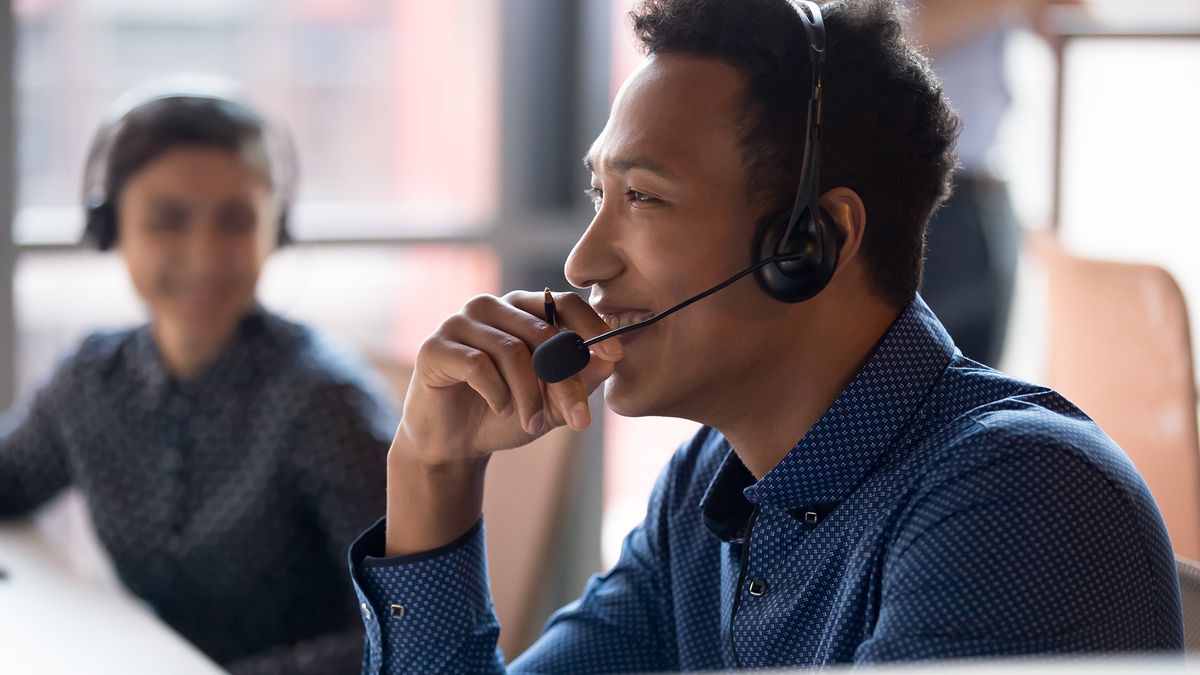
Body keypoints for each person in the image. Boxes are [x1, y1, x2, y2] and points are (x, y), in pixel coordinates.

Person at [349, 0, 1182, 672]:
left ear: (808, 243)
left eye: (643, 198)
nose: (584, 259)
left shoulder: (1016, 503)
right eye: (598, 193)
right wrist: (433, 470)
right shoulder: (711, 488)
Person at [0, 91, 395, 675]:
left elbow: (402, 630)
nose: (205, 256)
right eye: (167, 220)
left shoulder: (324, 403)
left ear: (274, 228)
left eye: (236, 220)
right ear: (111, 227)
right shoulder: (90, 381)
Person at [909, 0, 1081, 366]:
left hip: (990, 192)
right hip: (917, 193)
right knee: (905, 385)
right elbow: (889, 32)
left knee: (986, 389)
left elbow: (1073, 27)